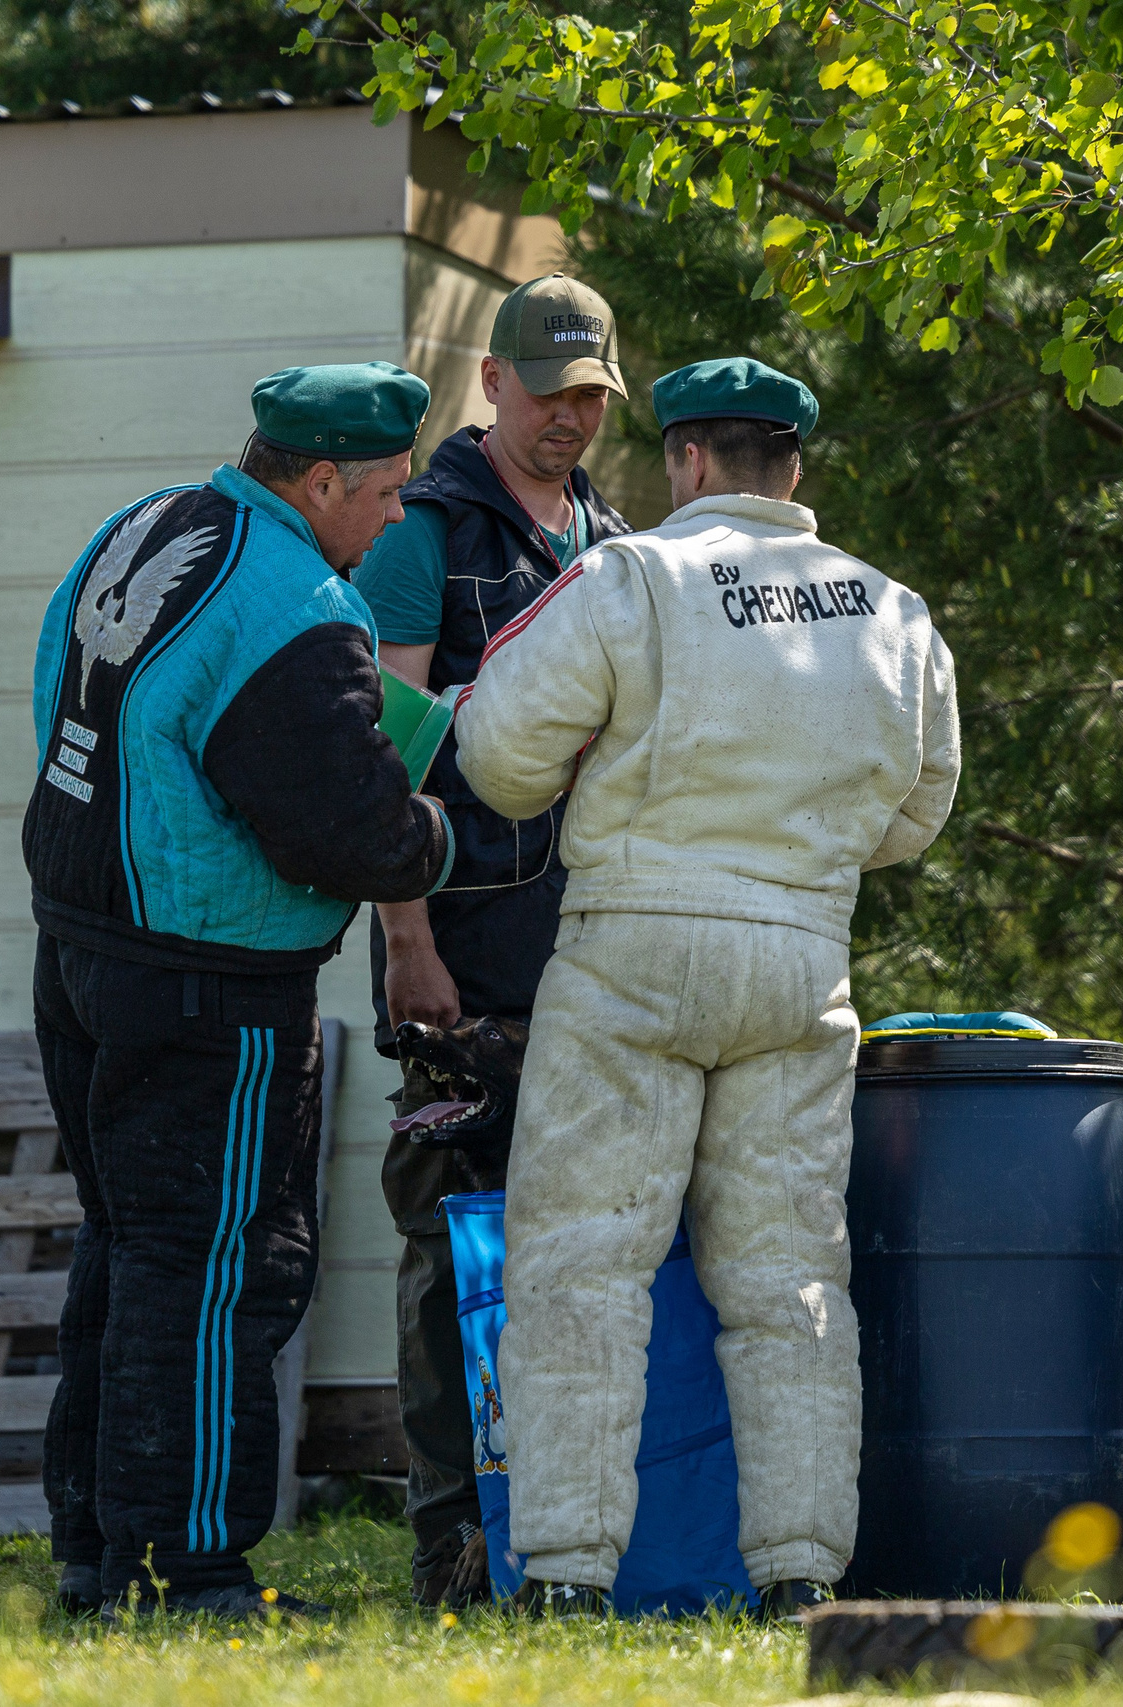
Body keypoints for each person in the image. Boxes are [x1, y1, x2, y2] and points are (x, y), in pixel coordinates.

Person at [451, 359, 962, 1617]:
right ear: (795, 468)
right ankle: (799, 1572)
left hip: (630, 952)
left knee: (580, 1266)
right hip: (800, 963)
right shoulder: (892, 615)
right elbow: (916, 815)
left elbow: (502, 762)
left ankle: (568, 1572)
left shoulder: (631, 580)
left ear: (681, 461)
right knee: (791, 1281)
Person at [24, 363, 457, 1620]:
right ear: (320, 480)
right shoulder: (299, 603)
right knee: (222, 1271)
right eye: (383, 495)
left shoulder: (149, 525)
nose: (395, 521)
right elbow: (347, 837)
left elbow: (190, 703)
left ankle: (97, 1549)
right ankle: (185, 1571)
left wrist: (399, 722)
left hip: (83, 951)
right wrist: (446, 830)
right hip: (207, 985)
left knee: (128, 1253)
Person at [349, 273, 632, 1607]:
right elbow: (387, 766)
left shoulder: (609, 540)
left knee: (577, 1242)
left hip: (587, 955)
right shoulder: (426, 535)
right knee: (450, 1249)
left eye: (591, 395)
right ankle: (452, 1544)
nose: (570, 418)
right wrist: (406, 938)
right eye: (549, 391)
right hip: (454, 948)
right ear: (492, 384)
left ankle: (563, 1526)